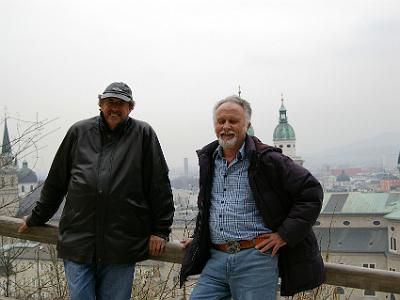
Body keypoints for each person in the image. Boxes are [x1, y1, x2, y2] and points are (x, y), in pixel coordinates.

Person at [18, 82, 175, 300]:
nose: (115, 108)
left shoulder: (143, 134)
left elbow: (158, 185)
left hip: (121, 244)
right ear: (100, 104)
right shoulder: (78, 132)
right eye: (110, 102)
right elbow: (56, 182)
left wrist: (160, 230)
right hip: (78, 241)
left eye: (121, 104)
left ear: (131, 107)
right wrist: (36, 217)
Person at [180, 95, 324, 299]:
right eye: (221, 121)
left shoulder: (268, 159)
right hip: (217, 258)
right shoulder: (210, 159)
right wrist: (199, 239)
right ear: (215, 125)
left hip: (255, 260)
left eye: (233, 121)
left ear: (247, 125)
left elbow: (311, 192)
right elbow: (211, 205)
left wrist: (285, 234)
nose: (226, 126)